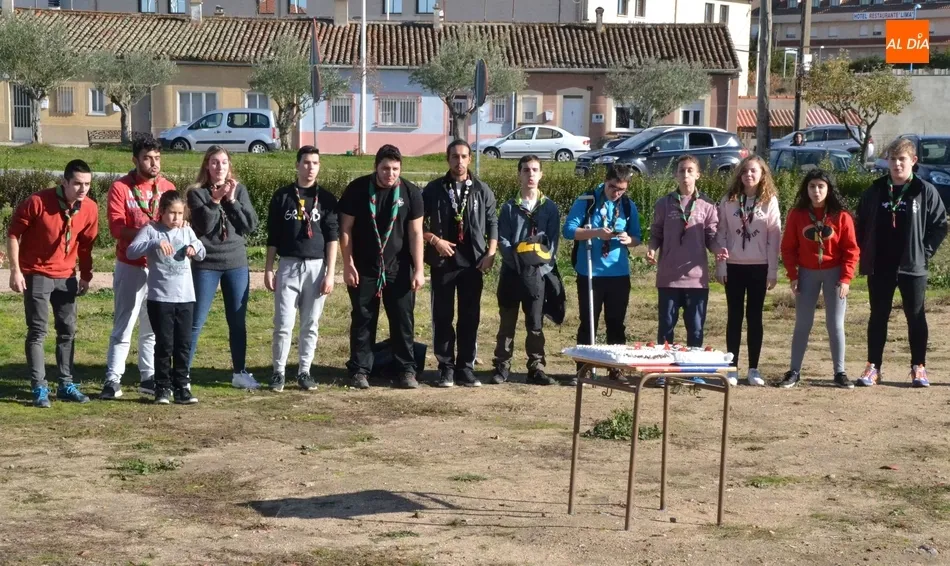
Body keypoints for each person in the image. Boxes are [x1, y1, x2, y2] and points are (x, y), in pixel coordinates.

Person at [855, 138, 948, 387]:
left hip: (912, 266)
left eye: (902, 159)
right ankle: (873, 367)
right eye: (893, 159)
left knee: (916, 317)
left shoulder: (924, 190)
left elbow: (940, 225)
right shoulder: (875, 191)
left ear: (913, 161)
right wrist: (866, 250)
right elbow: (860, 224)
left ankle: (919, 367)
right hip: (881, 266)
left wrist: (924, 251)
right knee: (878, 317)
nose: (896, 164)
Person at [7, 160, 99, 408]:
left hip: (67, 275)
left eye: (87, 184)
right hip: (37, 273)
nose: (83, 189)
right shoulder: (38, 202)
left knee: (67, 330)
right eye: (78, 184)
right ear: (64, 182)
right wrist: (15, 271)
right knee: (38, 331)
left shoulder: (89, 208)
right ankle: (39, 387)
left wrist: (86, 275)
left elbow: (87, 245)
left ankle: (66, 383)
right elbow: (14, 233)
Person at [339, 144, 425, 390]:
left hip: (399, 268)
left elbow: (416, 233)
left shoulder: (410, 193)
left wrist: (419, 270)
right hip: (365, 267)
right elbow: (345, 229)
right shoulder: (357, 190)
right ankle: (360, 370)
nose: (390, 173)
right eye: (385, 168)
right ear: (375, 167)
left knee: (402, 319)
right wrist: (348, 264)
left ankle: (406, 370)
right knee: (364, 318)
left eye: (395, 169)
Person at [102, 138, 175, 400]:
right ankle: (112, 379)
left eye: (157, 157)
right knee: (124, 324)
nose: (154, 163)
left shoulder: (167, 187)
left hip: (158, 269)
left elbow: (174, 224)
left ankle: (148, 377)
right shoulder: (121, 187)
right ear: (135, 160)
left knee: (152, 328)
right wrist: (149, 236)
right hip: (130, 266)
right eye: (147, 158)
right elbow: (116, 229)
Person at [422, 140, 498, 388]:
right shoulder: (433, 189)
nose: (460, 161)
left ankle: (465, 368)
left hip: (472, 263)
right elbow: (416, 224)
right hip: (443, 261)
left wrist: (491, 253)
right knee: (442, 315)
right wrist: (434, 240)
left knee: (469, 316)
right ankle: (446, 367)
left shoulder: (481, 189)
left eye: (464, 156)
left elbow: (492, 223)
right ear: (448, 159)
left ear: (469, 158)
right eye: (455, 156)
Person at [264, 146, 339, 392]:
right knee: (283, 323)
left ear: (319, 166)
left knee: (310, 323)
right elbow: (273, 236)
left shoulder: (327, 199)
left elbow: (332, 237)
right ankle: (278, 372)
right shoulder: (282, 196)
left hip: (316, 267)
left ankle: (305, 371)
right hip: (288, 265)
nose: (310, 168)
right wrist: (268, 268)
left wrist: (330, 274)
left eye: (315, 163)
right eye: (306, 162)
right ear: (297, 165)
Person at [187, 145, 260, 389]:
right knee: (196, 320)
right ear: (207, 165)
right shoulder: (196, 193)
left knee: (237, 321)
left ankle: (240, 372)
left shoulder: (238, 190)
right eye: (215, 162)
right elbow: (205, 226)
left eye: (224, 163)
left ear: (230, 166)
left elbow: (250, 225)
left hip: (236, 263)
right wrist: (216, 200)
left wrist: (231, 201)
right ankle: (182, 372)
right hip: (206, 264)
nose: (220, 167)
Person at [778, 170, 860, 389]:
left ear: (829, 189)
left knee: (835, 324)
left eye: (821, 186)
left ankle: (839, 372)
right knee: (803, 323)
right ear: (806, 189)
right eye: (812, 186)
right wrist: (793, 275)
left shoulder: (841, 216)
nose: (816, 191)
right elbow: (788, 248)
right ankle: (794, 371)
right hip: (807, 273)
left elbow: (851, 249)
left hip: (834, 273)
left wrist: (846, 278)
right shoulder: (797, 214)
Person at [563, 164, 641, 384]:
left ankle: (616, 367)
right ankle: (584, 367)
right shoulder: (587, 201)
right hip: (590, 273)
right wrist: (596, 232)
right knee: (588, 321)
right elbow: (568, 230)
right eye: (613, 187)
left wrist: (629, 240)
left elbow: (637, 237)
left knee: (616, 322)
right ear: (605, 181)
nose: (616, 193)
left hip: (618, 273)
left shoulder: (627, 205)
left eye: (621, 189)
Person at [647, 155, 721, 386]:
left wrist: (719, 250)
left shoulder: (708, 205)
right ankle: (663, 370)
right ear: (675, 175)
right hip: (668, 277)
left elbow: (711, 236)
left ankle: (694, 369)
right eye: (682, 170)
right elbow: (656, 233)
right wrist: (651, 250)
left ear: (698, 175)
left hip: (696, 280)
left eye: (690, 171)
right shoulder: (664, 203)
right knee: (666, 326)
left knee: (696, 328)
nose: (686, 175)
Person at [126, 191, 206, 404]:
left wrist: (193, 248)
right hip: (160, 299)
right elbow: (131, 251)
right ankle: (162, 387)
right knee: (164, 344)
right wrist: (154, 243)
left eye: (180, 213)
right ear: (161, 212)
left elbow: (201, 251)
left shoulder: (187, 231)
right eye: (171, 213)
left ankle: (182, 386)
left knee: (183, 344)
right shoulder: (151, 230)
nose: (176, 218)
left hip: (186, 298)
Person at [492, 155, 561, 386]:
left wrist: (536, 263)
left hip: (537, 275)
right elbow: (502, 240)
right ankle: (502, 365)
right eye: (525, 170)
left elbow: (551, 245)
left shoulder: (550, 208)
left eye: (534, 170)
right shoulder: (509, 208)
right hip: (512, 273)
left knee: (535, 324)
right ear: (519, 174)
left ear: (541, 174)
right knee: (507, 323)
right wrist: (518, 259)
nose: (530, 174)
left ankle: (536, 367)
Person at [715, 156, 781, 387]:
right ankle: (731, 368)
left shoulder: (769, 200)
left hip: (759, 266)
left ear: (762, 174)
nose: (749, 175)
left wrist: (772, 270)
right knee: (734, 317)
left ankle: (753, 368)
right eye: (744, 171)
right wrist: (721, 264)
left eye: (753, 171)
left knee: (755, 318)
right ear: (739, 175)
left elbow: (774, 237)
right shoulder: (729, 200)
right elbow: (721, 233)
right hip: (733, 266)